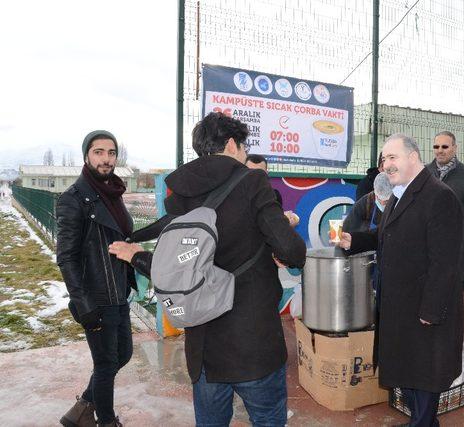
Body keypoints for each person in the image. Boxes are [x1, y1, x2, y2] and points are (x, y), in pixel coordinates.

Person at [109, 112, 306, 426]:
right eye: (244, 148)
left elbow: (175, 266)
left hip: (204, 349)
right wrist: (284, 243)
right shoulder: (252, 180)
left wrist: (136, 255)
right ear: (231, 145)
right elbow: (293, 251)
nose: (244, 156)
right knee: (268, 419)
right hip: (254, 343)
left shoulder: (181, 192)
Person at [337, 133, 464, 427]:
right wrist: (352, 240)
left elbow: (446, 262)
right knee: (407, 373)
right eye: (384, 159)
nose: (386, 164)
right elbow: (386, 236)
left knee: (423, 376)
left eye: (392, 157)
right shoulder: (399, 194)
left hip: (422, 307)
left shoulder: (439, 196)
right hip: (398, 304)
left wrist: (431, 310)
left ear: (413, 157)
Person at [56, 130, 136, 427]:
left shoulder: (113, 192)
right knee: (106, 364)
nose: (106, 159)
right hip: (97, 297)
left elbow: (122, 238)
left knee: (123, 354)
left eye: (111, 152)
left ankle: (82, 408)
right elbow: (66, 257)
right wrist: (83, 302)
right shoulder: (73, 199)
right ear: (87, 156)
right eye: (99, 152)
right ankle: (105, 421)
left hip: (119, 293)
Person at [426, 131, 464, 281]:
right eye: (436, 146)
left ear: (455, 148)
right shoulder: (423, 173)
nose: (440, 150)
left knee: (454, 298)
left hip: (456, 252)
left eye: (445, 146)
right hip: (427, 250)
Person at [245, 153, 299, 227]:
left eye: (260, 173)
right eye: (251, 172)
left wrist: (285, 221)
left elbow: (274, 226)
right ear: (243, 172)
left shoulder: (274, 196)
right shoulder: (234, 195)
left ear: (267, 174)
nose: (255, 177)